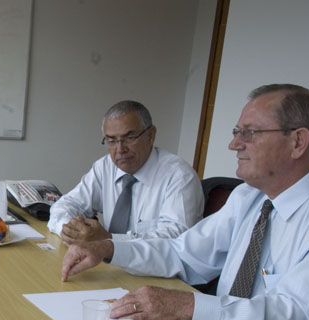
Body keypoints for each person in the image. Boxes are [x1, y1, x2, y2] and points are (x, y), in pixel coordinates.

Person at [61, 84, 309, 320]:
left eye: (249, 133)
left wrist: (186, 305)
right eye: (237, 132)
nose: (234, 144)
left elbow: (293, 316)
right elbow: (183, 254)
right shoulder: (250, 196)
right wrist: (108, 249)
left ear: (298, 141)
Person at [47, 100, 203, 244]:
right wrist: (67, 229)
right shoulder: (105, 167)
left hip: (157, 271)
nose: (120, 149)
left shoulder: (179, 176)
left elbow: (175, 238)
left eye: (130, 138)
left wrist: (110, 241)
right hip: (108, 265)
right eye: (112, 140)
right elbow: (67, 204)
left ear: (151, 135)